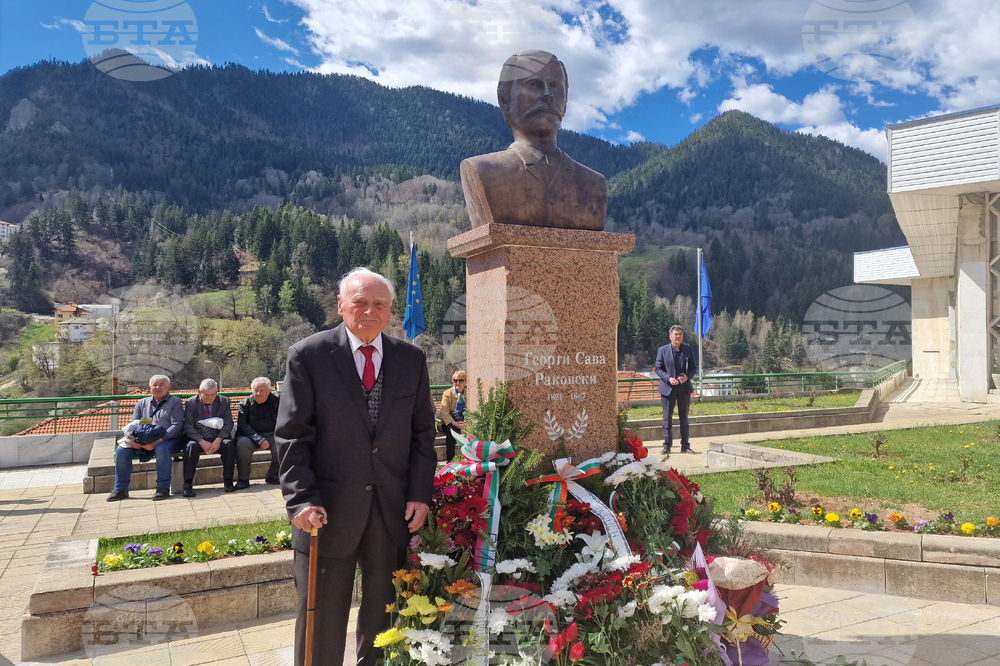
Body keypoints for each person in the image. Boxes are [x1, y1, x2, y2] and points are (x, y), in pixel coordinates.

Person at [276, 267, 437, 666]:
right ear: (341, 305)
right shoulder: (308, 356)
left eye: (379, 304)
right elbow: (292, 437)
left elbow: (422, 436)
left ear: (390, 310)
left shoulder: (411, 360)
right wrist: (300, 501)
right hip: (326, 512)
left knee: (385, 615)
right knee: (322, 618)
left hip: (391, 510)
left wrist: (420, 494)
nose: (369, 311)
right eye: (360, 302)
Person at [460, 50, 607, 230]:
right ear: (504, 100)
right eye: (534, 85)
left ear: (566, 101)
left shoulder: (593, 184)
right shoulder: (482, 171)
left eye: (554, 85)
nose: (547, 95)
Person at [107, 375, 185, 501]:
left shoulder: (175, 402)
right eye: (155, 385)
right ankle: (120, 489)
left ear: (168, 387)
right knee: (121, 452)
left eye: (161, 384)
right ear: (150, 387)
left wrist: (157, 441)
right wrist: (132, 441)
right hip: (142, 440)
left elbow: (176, 425)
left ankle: (162, 488)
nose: (158, 387)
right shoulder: (142, 403)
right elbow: (133, 425)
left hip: (167, 440)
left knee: (161, 449)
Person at [181, 378, 235, 497]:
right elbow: (188, 425)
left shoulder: (224, 401)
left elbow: (228, 423)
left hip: (217, 436)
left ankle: (228, 482)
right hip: (198, 437)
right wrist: (201, 441)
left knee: (229, 445)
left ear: (217, 392)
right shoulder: (190, 403)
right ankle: (188, 484)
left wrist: (218, 440)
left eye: (213, 394)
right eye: (206, 394)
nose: (210, 397)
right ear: (200, 392)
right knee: (190, 448)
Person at [654, 325, 698, 454]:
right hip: (668, 388)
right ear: (670, 336)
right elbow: (658, 369)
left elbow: (693, 368)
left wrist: (687, 377)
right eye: (676, 334)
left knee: (684, 418)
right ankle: (667, 446)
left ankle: (685, 445)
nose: (678, 336)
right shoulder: (662, 350)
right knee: (667, 418)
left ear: (682, 336)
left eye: (680, 334)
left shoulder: (688, 350)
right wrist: (668, 378)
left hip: (684, 388)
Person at [234, 376, 280, 487]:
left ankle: (273, 476)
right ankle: (243, 480)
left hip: (273, 433)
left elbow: (285, 419)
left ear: (269, 391)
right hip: (250, 436)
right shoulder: (245, 404)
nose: (258, 394)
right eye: (256, 391)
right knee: (242, 445)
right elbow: (242, 425)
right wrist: (259, 439)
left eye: (262, 391)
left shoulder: (278, 400)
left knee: (282, 444)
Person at [438, 370, 468, 460]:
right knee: (451, 432)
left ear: (465, 382)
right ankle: (450, 459)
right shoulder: (447, 394)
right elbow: (444, 412)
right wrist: (454, 423)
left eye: (461, 380)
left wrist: (466, 422)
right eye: (455, 381)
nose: (458, 383)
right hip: (450, 422)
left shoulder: (469, 394)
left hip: (464, 421)